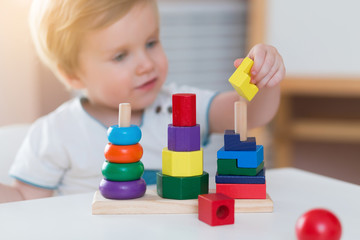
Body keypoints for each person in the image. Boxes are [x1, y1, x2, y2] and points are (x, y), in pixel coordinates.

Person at [0, 0, 285, 203]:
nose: (146, 64)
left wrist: (265, 78)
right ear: (73, 75)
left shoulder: (180, 107)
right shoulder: (55, 132)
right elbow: (25, 200)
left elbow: (250, 113)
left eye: (151, 42)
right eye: (121, 56)